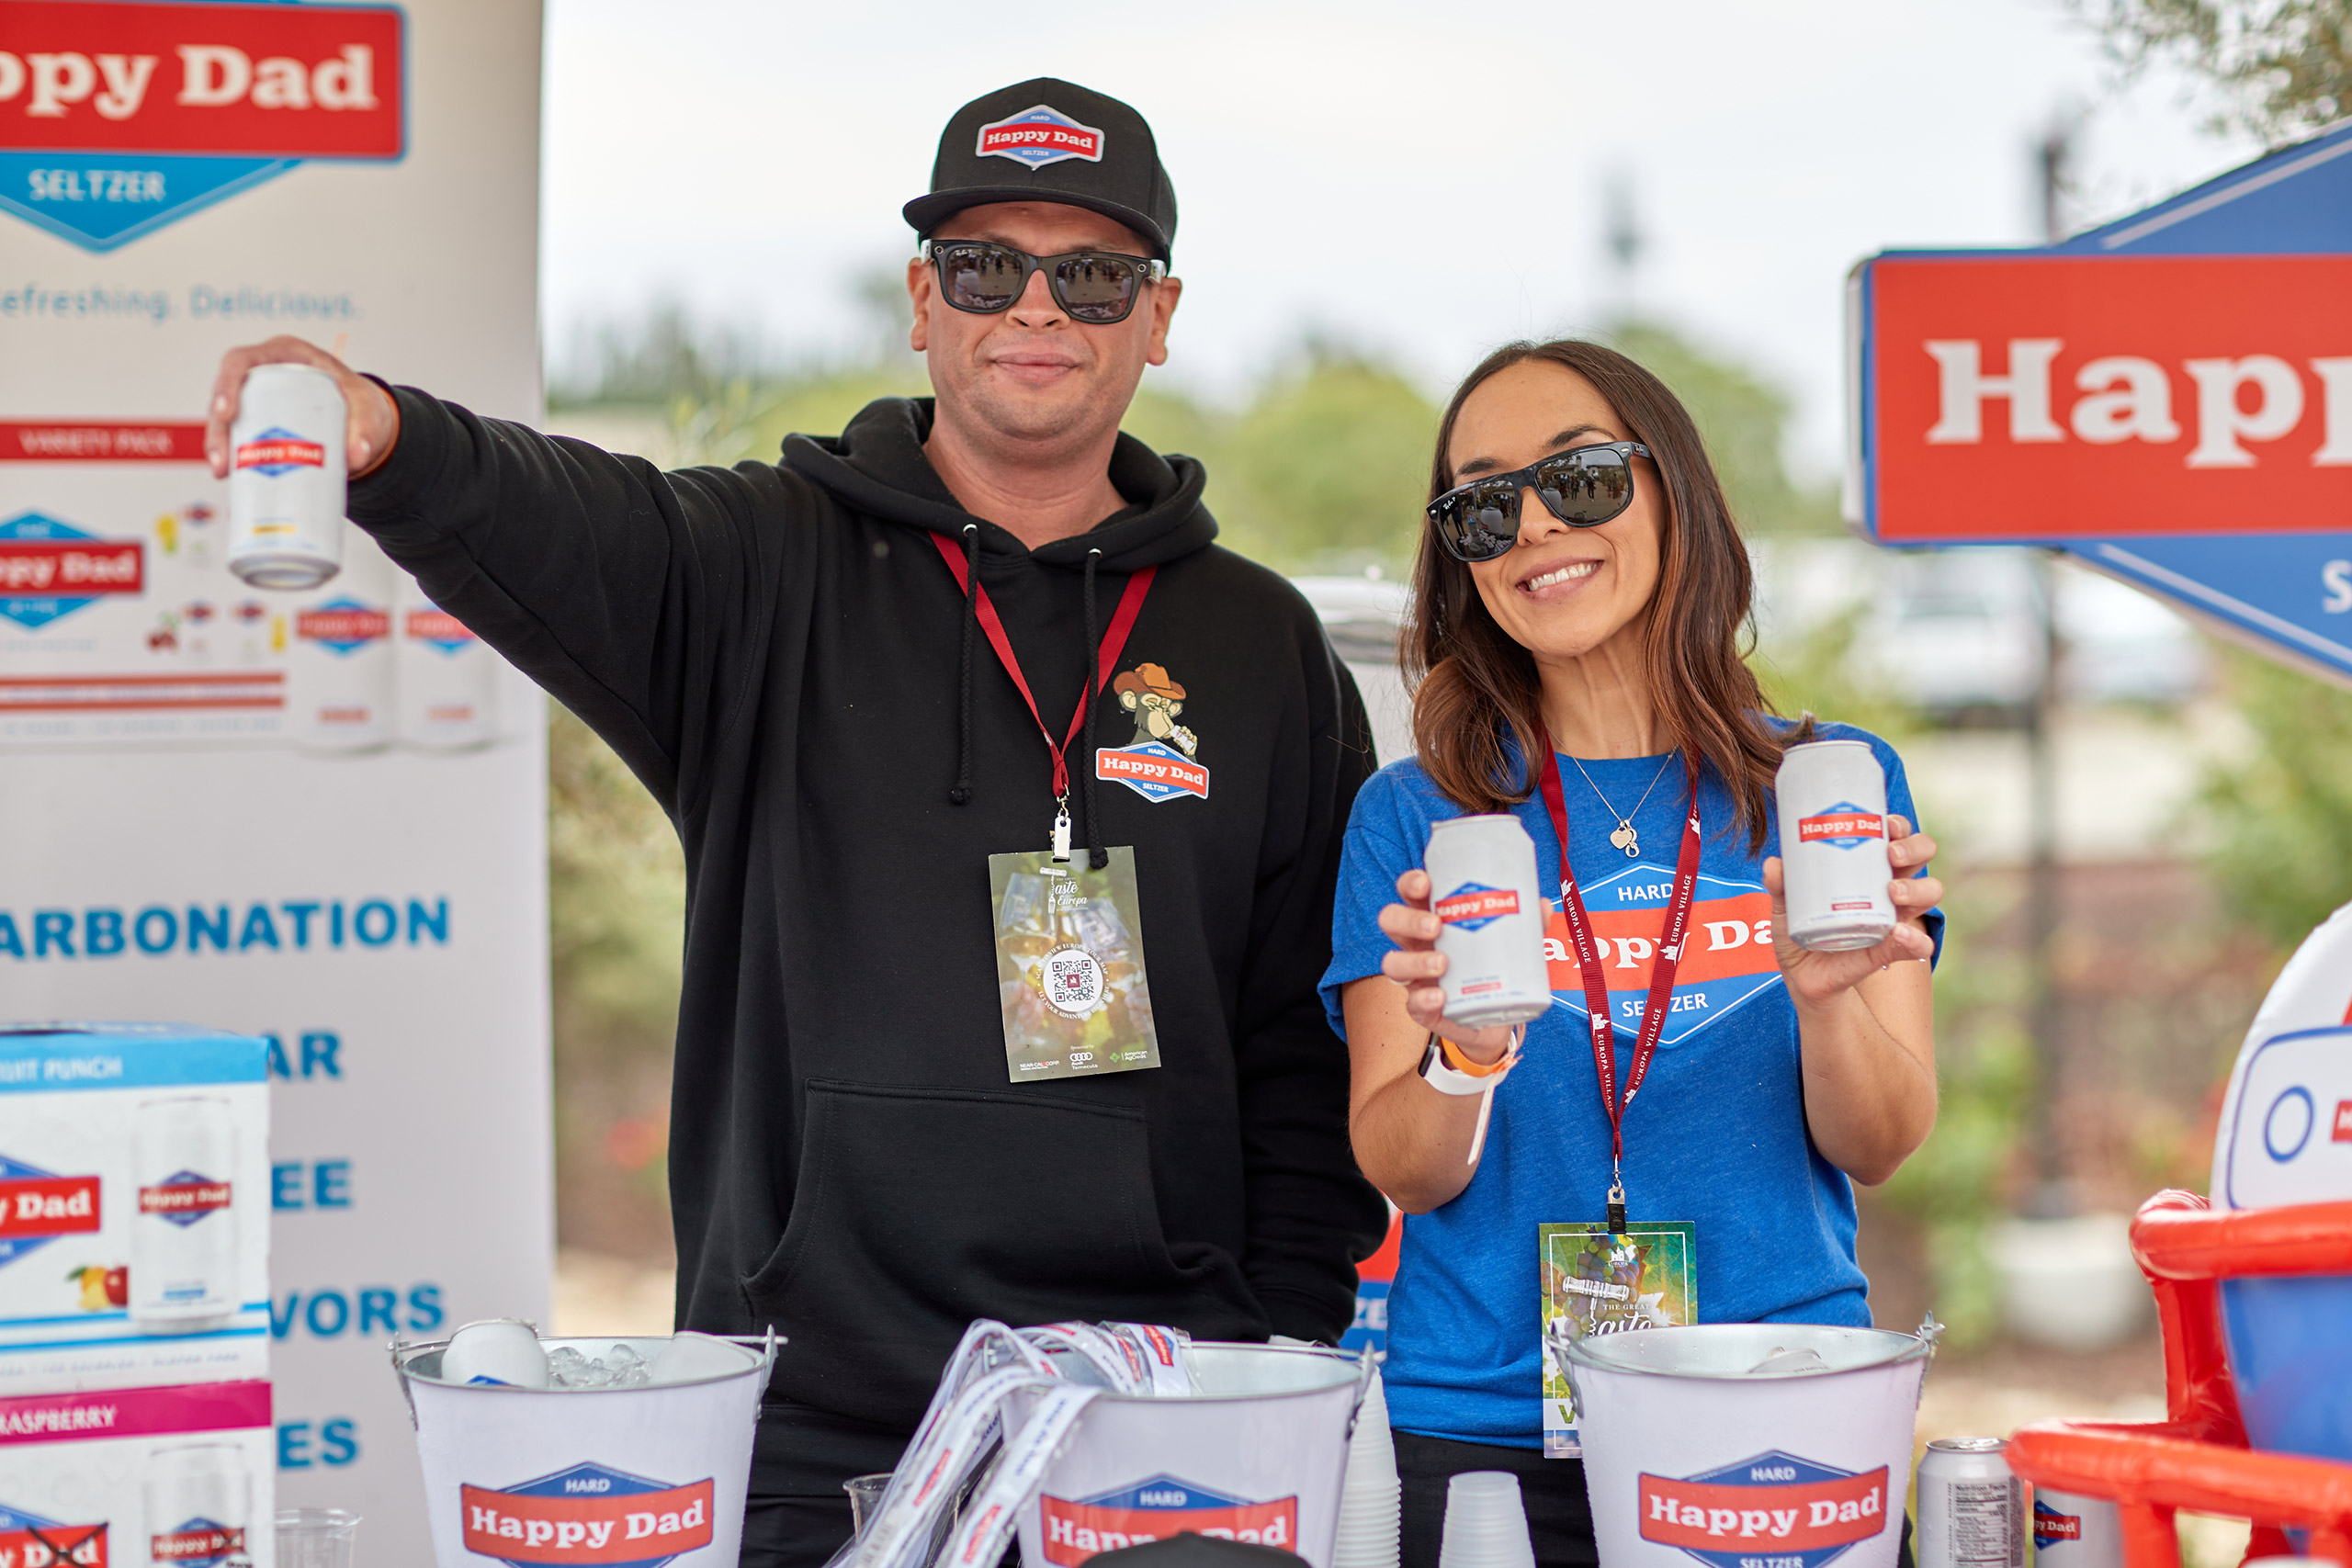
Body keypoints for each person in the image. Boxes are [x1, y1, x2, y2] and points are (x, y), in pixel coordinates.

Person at [205, 78, 1386, 1568]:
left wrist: (1270, 1360)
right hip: (811, 1424)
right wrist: (390, 437)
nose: (1036, 307)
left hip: (1164, 1412)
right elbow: (570, 517)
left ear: (1156, 317)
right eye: (985, 267)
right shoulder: (762, 569)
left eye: (1090, 274)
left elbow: (1303, 1045)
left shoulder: (1258, 642)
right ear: (921, 299)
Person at [1321, 340, 1944, 1568]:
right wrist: (1464, 1055)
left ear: (1677, 495)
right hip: (1483, 1431)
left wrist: (1826, 1001)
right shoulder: (1418, 812)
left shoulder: (1823, 787)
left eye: (1585, 477)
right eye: (1484, 505)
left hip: (1779, 1396)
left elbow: (1881, 1140)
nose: (1536, 526)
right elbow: (1403, 1168)